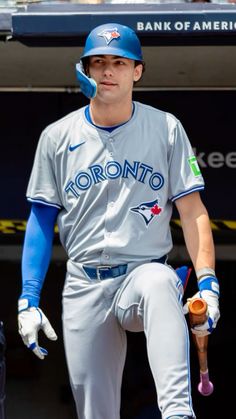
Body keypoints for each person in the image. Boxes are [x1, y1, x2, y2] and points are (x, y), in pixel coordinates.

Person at [18, 23, 220, 419]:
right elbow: (41, 218)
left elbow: (192, 210)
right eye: (98, 62)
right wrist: (28, 297)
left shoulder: (165, 128)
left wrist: (209, 282)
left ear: (137, 71)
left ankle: (178, 413)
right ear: (84, 71)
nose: (107, 71)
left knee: (161, 281)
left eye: (118, 62)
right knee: (96, 412)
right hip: (83, 284)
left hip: (139, 276)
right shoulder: (57, 136)